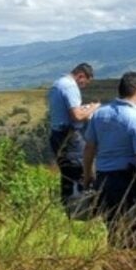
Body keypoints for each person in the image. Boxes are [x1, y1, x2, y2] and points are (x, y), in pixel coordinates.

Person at [83, 72, 136, 249]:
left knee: (114, 229)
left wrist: (88, 176)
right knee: (134, 233)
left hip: (103, 181)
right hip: (127, 182)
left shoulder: (99, 115)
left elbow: (89, 148)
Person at [47, 63, 101, 217]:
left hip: (57, 134)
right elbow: (76, 116)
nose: (83, 86)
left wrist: (84, 108)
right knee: (82, 170)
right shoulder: (70, 87)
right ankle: (82, 212)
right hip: (69, 136)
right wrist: (94, 108)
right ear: (81, 76)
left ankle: (69, 210)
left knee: (67, 173)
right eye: (84, 82)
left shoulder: (58, 83)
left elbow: (67, 112)